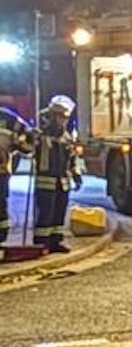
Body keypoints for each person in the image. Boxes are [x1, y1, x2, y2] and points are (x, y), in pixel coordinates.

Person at [32, 95, 81, 253]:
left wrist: (76, 174)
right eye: (60, 117)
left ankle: (56, 241)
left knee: (59, 213)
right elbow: (28, 149)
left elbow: (72, 158)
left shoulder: (66, 136)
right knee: (45, 213)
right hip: (46, 181)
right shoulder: (41, 134)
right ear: (53, 116)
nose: (63, 120)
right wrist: (31, 139)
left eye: (65, 117)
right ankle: (41, 243)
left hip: (62, 182)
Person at [0, 106, 36, 244]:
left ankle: (1, 236)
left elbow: (26, 140)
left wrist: (30, 140)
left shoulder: (8, 119)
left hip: (1, 172)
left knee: (0, 204)